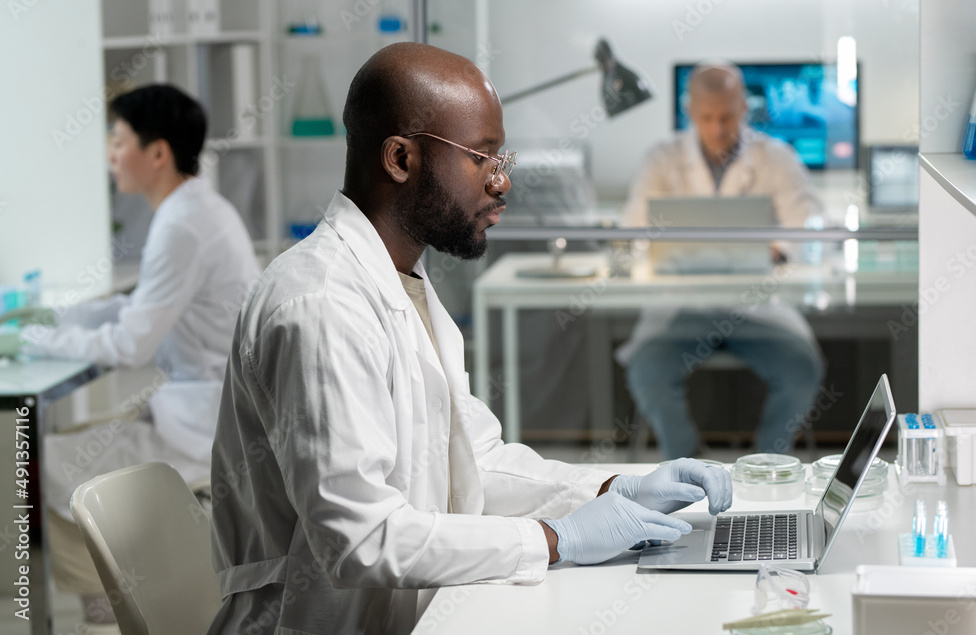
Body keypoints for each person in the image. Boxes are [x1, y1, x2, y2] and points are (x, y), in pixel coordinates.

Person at [208, 42, 732, 635]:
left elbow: (471, 464)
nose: (502, 181)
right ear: (401, 158)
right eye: (481, 158)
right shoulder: (320, 305)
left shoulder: (403, 281)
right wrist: (556, 539)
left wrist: (615, 487)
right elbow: (358, 538)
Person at [1, 84, 261, 632]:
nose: (110, 155)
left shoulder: (182, 223)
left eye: (118, 140)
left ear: (158, 153)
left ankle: (105, 609)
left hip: (202, 426)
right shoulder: (196, 208)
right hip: (202, 408)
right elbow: (141, 305)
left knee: (35, 463)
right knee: (68, 444)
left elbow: (130, 345)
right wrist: (57, 319)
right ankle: (107, 604)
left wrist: (33, 342)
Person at [617, 64, 826, 460]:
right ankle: (687, 463)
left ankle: (768, 463)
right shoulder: (661, 159)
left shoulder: (776, 157)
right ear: (689, 110)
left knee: (802, 368)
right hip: (681, 305)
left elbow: (809, 224)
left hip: (758, 306)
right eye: (708, 117)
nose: (718, 129)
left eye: (727, 116)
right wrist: (663, 248)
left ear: (745, 108)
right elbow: (633, 230)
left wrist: (774, 249)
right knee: (648, 372)